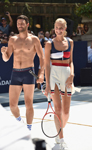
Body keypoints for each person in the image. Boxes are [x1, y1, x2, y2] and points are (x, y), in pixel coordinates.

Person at [1, 15, 44, 131]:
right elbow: (6, 58)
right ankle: (20, 121)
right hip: (15, 73)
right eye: (18, 23)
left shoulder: (34, 39)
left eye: (22, 23)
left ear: (27, 24)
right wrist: (3, 53)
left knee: (28, 104)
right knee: (12, 105)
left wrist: (41, 74)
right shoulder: (13, 39)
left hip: (29, 73)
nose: (20, 25)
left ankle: (29, 129)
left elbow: (42, 57)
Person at [45, 18, 74, 150]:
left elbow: (71, 61)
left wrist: (72, 75)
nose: (59, 30)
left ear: (65, 28)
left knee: (66, 112)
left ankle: (58, 130)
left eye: (61, 27)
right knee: (58, 109)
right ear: (54, 28)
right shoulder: (49, 44)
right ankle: (61, 139)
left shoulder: (70, 42)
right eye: (57, 27)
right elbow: (46, 65)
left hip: (67, 75)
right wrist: (47, 84)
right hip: (54, 76)